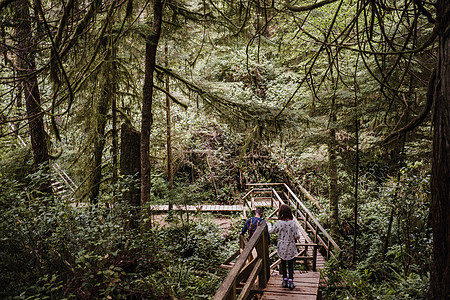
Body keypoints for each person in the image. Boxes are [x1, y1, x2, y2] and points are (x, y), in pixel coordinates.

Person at [268, 204, 300, 290]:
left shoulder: (279, 223)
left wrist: (268, 225)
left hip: (282, 245)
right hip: (291, 245)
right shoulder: (293, 223)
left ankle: (284, 280)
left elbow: (271, 231)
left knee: (283, 262)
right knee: (290, 263)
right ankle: (290, 281)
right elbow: (297, 236)